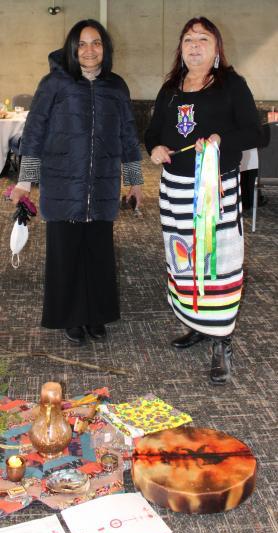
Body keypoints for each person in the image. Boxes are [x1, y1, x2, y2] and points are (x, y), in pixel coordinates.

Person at [11, 19, 143, 346]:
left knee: (98, 255)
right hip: (61, 185)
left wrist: (135, 182)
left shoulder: (116, 86)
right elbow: (34, 135)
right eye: (81, 43)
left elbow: (128, 136)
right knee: (66, 255)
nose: (88, 50)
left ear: (105, 48)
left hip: (101, 186)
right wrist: (25, 182)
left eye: (95, 43)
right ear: (72, 48)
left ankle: (96, 316)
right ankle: (72, 317)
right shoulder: (55, 84)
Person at [145, 16, 262, 384]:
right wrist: (156, 148)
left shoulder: (231, 85)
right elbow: (151, 133)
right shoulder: (170, 89)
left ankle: (221, 341)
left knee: (218, 266)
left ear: (216, 49)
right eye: (188, 40)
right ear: (181, 49)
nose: (194, 45)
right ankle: (196, 324)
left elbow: (257, 133)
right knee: (184, 262)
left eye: (203, 39)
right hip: (175, 193)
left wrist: (219, 139)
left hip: (216, 193)